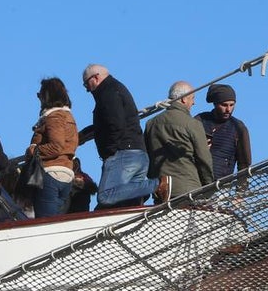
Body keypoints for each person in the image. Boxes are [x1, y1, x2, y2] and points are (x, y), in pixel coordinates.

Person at [83, 63, 168, 207]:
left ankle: (157, 184)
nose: (86, 89)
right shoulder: (117, 89)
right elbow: (107, 123)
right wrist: (81, 137)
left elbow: (115, 123)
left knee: (105, 196)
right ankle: (147, 189)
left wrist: (111, 151)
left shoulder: (107, 92)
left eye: (86, 84)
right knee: (126, 205)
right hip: (138, 153)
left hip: (123, 153)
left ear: (96, 78)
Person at [144, 80, 214, 200]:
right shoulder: (193, 124)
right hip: (188, 190)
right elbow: (204, 159)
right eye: (192, 98)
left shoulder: (151, 123)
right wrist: (209, 188)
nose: (194, 103)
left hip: (160, 192)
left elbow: (146, 157)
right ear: (184, 99)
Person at [26, 77, 79, 218]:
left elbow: (57, 146)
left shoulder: (54, 117)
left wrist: (34, 150)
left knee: (45, 224)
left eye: (40, 94)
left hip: (50, 173)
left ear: (47, 96)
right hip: (66, 174)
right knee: (56, 222)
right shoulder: (68, 116)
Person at [196, 83, 252, 182]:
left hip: (222, 186)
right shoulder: (199, 121)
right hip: (196, 182)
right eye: (224, 105)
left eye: (232, 105)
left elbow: (244, 163)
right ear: (215, 104)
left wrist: (240, 193)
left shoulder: (238, 127)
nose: (228, 109)